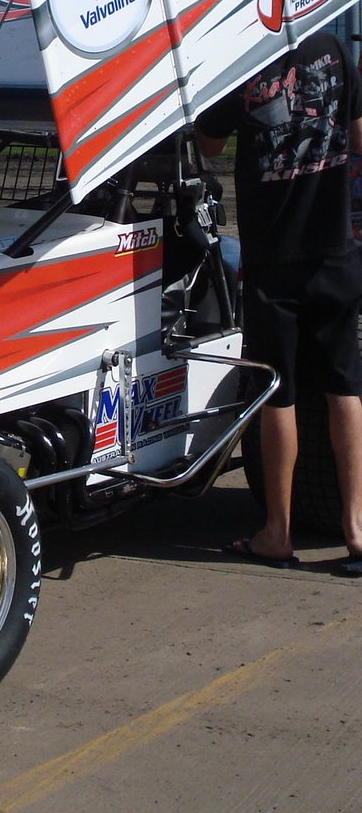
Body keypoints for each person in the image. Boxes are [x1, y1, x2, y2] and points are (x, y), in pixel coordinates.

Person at [194, 29, 362, 574]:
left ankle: (277, 533)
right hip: (334, 251)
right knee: (345, 389)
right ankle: (358, 530)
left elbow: (209, 143)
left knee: (279, 397)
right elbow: (359, 135)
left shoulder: (239, 52)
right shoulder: (332, 49)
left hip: (272, 260)